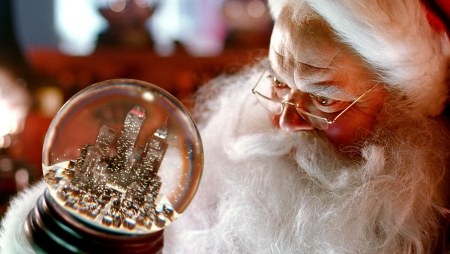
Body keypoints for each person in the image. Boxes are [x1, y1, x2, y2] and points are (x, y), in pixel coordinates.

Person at [1, 0, 450, 253]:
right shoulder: (231, 147)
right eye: (277, 82)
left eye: (324, 99)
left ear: (401, 109)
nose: (287, 120)